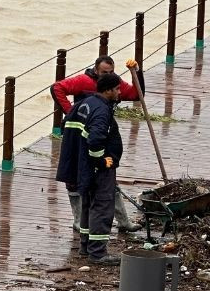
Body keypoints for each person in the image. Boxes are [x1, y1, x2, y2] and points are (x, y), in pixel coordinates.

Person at [51, 56, 142, 233]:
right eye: (103, 73)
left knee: (107, 177)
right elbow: (57, 87)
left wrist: (136, 72)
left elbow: (136, 94)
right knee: (75, 179)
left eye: (110, 72)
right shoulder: (83, 81)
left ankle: (123, 221)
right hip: (78, 136)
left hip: (100, 133)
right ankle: (79, 221)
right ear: (95, 70)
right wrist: (70, 112)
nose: (107, 76)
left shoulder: (113, 84)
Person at [58, 72, 125, 265]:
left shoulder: (83, 104)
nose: (120, 92)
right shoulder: (102, 111)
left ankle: (86, 246)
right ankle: (98, 253)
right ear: (108, 90)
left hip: (81, 166)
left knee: (87, 203)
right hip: (97, 168)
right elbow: (95, 140)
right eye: (117, 89)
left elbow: (66, 127)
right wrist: (102, 162)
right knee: (102, 205)